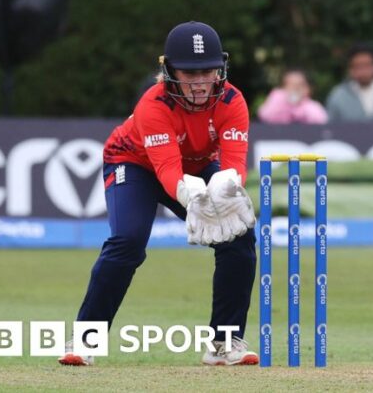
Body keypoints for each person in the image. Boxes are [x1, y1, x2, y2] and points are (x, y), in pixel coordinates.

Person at [58, 22, 258, 366]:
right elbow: (166, 169)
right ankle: (85, 340)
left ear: (220, 69)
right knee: (128, 241)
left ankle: (224, 344)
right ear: (169, 71)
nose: (199, 81)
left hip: (195, 166)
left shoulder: (232, 100)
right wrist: (191, 197)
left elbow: (235, 162)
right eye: (189, 72)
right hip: (134, 163)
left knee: (239, 237)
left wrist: (226, 190)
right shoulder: (155, 103)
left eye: (207, 71)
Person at [325, 43, 373, 121]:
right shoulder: (338, 96)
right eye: (358, 66)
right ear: (350, 69)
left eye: (367, 65)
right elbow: (332, 130)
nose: (363, 71)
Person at [257, 68, 328, 124]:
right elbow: (264, 115)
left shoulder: (312, 106)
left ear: (307, 88)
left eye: (299, 85)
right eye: (291, 85)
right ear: (283, 86)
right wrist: (285, 103)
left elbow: (321, 120)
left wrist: (298, 107)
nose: (295, 88)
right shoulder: (277, 98)